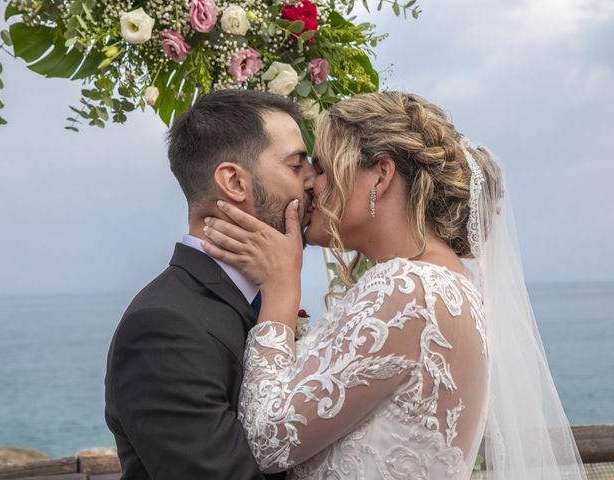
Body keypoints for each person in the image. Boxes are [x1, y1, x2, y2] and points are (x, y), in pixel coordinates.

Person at [202, 91, 587, 479]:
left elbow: (267, 441)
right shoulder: (447, 284)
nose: (310, 185)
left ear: (381, 176)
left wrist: (281, 289)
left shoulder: (407, 288)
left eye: (321, 168)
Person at [104, 89, 315, 480]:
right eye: (296, 165)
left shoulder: (265, 300)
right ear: (234, 181)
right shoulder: (163, 327)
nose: (314, 181)